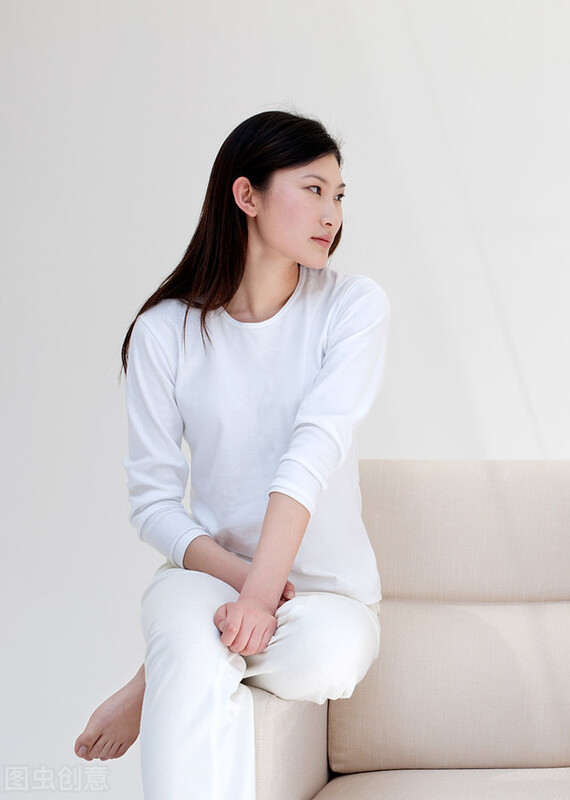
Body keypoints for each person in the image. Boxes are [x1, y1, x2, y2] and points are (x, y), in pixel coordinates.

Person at [73, 111, 389, 799]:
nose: (332, 214)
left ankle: (156, 677)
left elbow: (311, 452)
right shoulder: (164, 333)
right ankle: (181, 656)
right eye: (313, 190)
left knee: (328, 657)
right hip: (210, 583)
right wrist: (246, 585)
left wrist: (262, 598)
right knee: (193, 643)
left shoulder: (352, 306)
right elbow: (154, 504)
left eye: (339, 196)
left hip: (324, 600)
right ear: (246, 195)